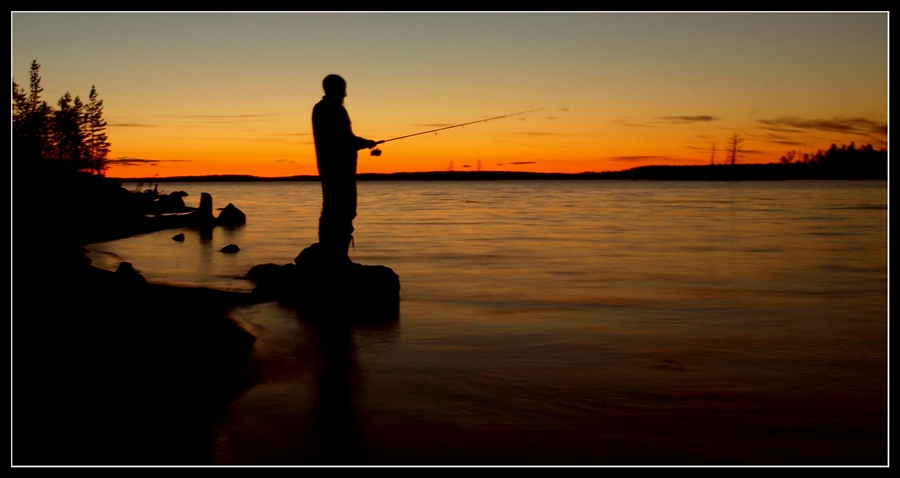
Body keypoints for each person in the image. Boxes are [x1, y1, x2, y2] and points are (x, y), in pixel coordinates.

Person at [312, 74, 378, 265]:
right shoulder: (333, 110)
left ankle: (332, 253)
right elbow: (342, 140)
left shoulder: (323, 108)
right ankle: (337, 256)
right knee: (343, 211)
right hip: (339, 169)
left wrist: (362, 142)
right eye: (343, 89)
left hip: (332, 168)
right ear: (333, 89)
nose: (346, 94)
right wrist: (364, 143)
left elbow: (343, 138)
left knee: (333, 210)